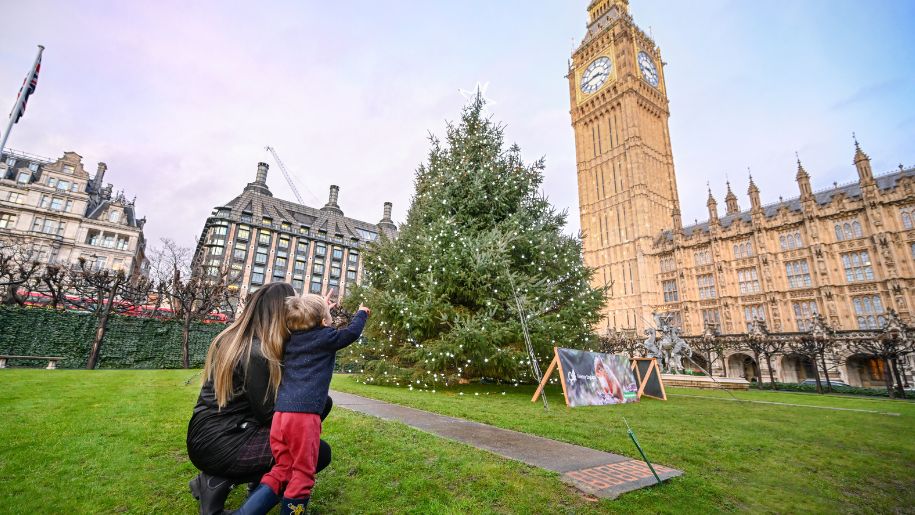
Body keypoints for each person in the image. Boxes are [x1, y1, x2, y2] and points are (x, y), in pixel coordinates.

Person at [185, 283, 334, 515]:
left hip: (209, 437)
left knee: (310, 416)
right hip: (225, 443)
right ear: (280, 312)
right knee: (315, 452)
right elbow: (269, 415)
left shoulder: (239, 340)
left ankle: (222, 481)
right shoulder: (258, 351)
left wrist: (315, 317)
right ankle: (227, 487)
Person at [237, 294, 370, 515]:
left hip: (281, 416)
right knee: (302, 473)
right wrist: (362, 314)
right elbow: (352, 333)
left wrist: (320, 309)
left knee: (282, 468)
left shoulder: (291, 339)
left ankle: (245, 513)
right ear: (322, 321)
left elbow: (307, 316)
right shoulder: (326, 338)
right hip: (304, 417)